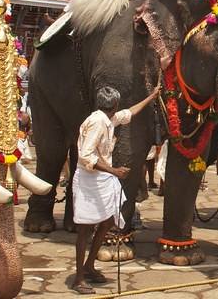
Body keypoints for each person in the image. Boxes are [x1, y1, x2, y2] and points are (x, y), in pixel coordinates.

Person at [70, 84, 158, 293]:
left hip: (103, 179)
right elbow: (85, 156)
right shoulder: (97, 123)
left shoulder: (109, 118)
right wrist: (114, 170)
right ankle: (79, 277)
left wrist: (152, 96)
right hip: (90, 181)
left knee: (109, 220)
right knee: (85, 228)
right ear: (115, 103)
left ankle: (89, 266)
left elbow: (130, 113)